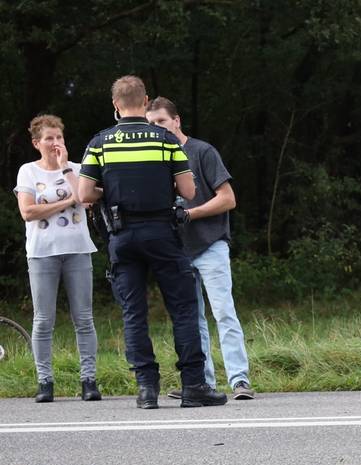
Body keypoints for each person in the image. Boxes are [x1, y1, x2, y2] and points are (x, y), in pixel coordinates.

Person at [76, 75, 227, 409]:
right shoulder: (164, 139)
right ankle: (194, 386)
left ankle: (146, 390)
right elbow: (188, 191)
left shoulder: (100, 143)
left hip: (122, 236)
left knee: (134, 313)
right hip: (162, 233)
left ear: (116, 105)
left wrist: (112, 191)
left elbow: (84, 193)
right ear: (145, 103)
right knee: (184, 309)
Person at [146, 97, 255, 400]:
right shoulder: (154, 159)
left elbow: (228, 198)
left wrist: (192, 213)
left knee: (223, 312)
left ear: (176, 121)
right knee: (191, 319)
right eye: (151, 124)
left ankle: (239, 380)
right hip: (177, 249)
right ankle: (201, 382)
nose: (157, 129)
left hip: (210, 244)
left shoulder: (202, 151)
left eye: (162, 122)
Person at [13, 114, 100, 403]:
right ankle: (45, 381)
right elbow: (28, 212)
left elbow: (86, 197)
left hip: (77, 249)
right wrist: (66, 203)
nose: (55, 143)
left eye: (59, 137)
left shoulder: (76, 168)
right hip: (41, 253)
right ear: (37, 142)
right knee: (43, 320)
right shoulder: (27, 172)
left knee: (84, 318)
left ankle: (89, 380)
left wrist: (65, 168)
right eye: (49, 138)